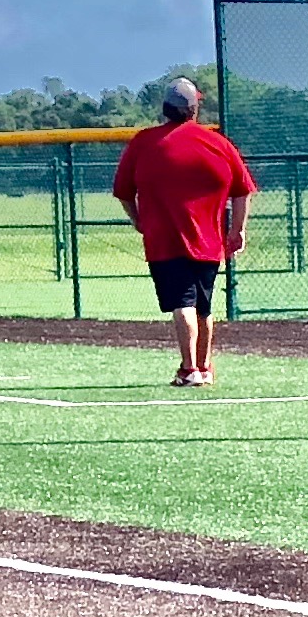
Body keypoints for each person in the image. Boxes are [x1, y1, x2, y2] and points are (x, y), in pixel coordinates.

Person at [110, 77, 254, 388]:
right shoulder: (217, 143)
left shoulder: (145, 142)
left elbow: (123, 191)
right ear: (194, 108)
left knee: (183, 303)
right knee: (203, 305)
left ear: (164, 108)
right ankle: (203, 366)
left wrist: (138, 220)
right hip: (209, 241)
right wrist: (237, 230)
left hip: (165, 241)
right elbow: (243, 191)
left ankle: (189, 369)